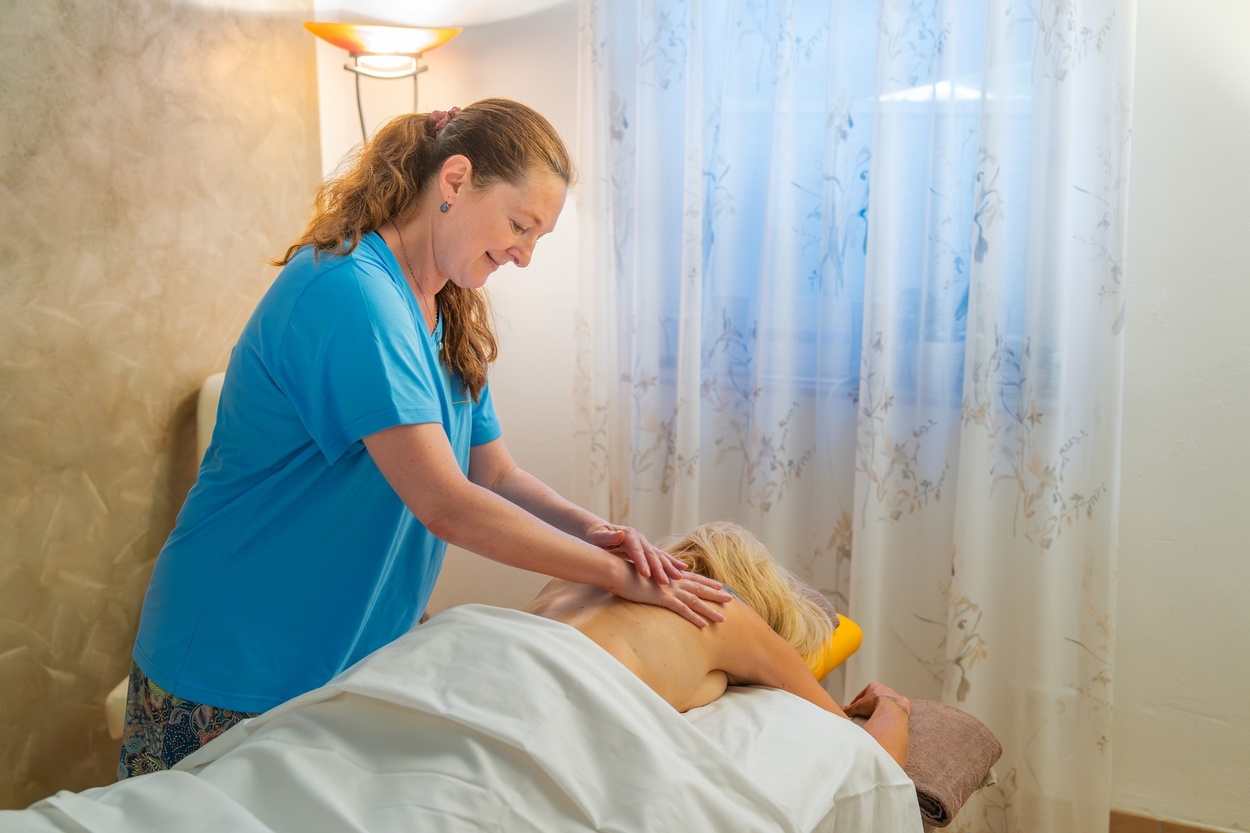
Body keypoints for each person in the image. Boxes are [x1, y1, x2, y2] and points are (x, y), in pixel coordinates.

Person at [119, 99, 732, 779]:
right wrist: (617, 576)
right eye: (519, 226)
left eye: (538, 238)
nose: (524, 256)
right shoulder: (350, 292)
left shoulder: (446, 309)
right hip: (233, 655)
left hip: (340, 658)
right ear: (455, 179)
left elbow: (493, 473)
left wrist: (601, 534)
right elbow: (446, 503)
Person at [524, 521, 911, 767]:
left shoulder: (580, 574)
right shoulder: (725, 608)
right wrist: (893, 705)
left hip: (502, 658)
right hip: (567, 713)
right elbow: (874, 761)